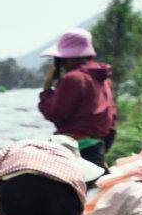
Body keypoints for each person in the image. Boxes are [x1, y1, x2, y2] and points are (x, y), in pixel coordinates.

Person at [37, 28, 116, 169]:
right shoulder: (103, 78)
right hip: (97, 147)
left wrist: (47, 88)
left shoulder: (73, 78)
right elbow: (111, 118)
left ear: (65, 58)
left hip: (74, 148)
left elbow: (55, 113)